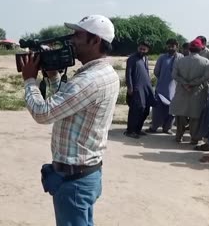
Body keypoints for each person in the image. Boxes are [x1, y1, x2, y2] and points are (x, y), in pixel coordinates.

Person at [20, 15, 119, 226]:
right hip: (83, 174)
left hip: (74, 180)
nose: (72, 40)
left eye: (77, 35)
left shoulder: (90, 79)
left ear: (95, 41)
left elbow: (43, 113)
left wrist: (30, 80)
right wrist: (54, 77)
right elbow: (67, 106)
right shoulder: (102, 73)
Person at [170, 39, 209, 143]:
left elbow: (174, 75)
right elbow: (206, 77)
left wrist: (185, 83)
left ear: (189, 49)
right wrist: (193, 83)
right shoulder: (205, 61)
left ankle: (178, 136)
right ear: (200, 49)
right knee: (195, 117)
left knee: (180, 115)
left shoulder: (180, 60)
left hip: (182, 91)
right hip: (197, 92)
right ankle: (194, 139)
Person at [146, 39, 183, 134]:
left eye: (173, 46)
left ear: (177, 46)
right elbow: (156, 72)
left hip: (175, 89)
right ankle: (154, 127)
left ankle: (167, 128)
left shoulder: (181, 58)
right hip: (162, 88)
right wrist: (163, 78)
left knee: (172, 110)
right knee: (158, 109)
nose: (170, 48)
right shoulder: (162, 58)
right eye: (169, 46)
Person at [124, 40, 155, 138]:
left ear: (147, 50)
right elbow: (128, 74)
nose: (142, 50)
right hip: (136, 88)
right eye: (140, 48)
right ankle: (130, 131)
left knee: (145, 110)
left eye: (144, 49)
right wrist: (130, 87)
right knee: (136, 109)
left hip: (146, 88)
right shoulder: (132, 59)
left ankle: (138, 129)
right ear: (138, 48)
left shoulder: (145, 58)